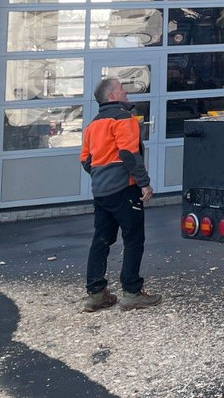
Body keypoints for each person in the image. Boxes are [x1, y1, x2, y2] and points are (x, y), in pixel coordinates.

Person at [80, 78, 162, 312]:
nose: (125, 92)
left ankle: (96, 293)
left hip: (101, 191)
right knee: (134, 239)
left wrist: (102, 175)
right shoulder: (124, 119)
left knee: (101, 240)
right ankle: (132, 292)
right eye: (121, 89)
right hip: (124, 189)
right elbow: (128, 153)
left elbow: (86, 160)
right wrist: (144, 184)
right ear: (111, 96)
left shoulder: (93, 125)